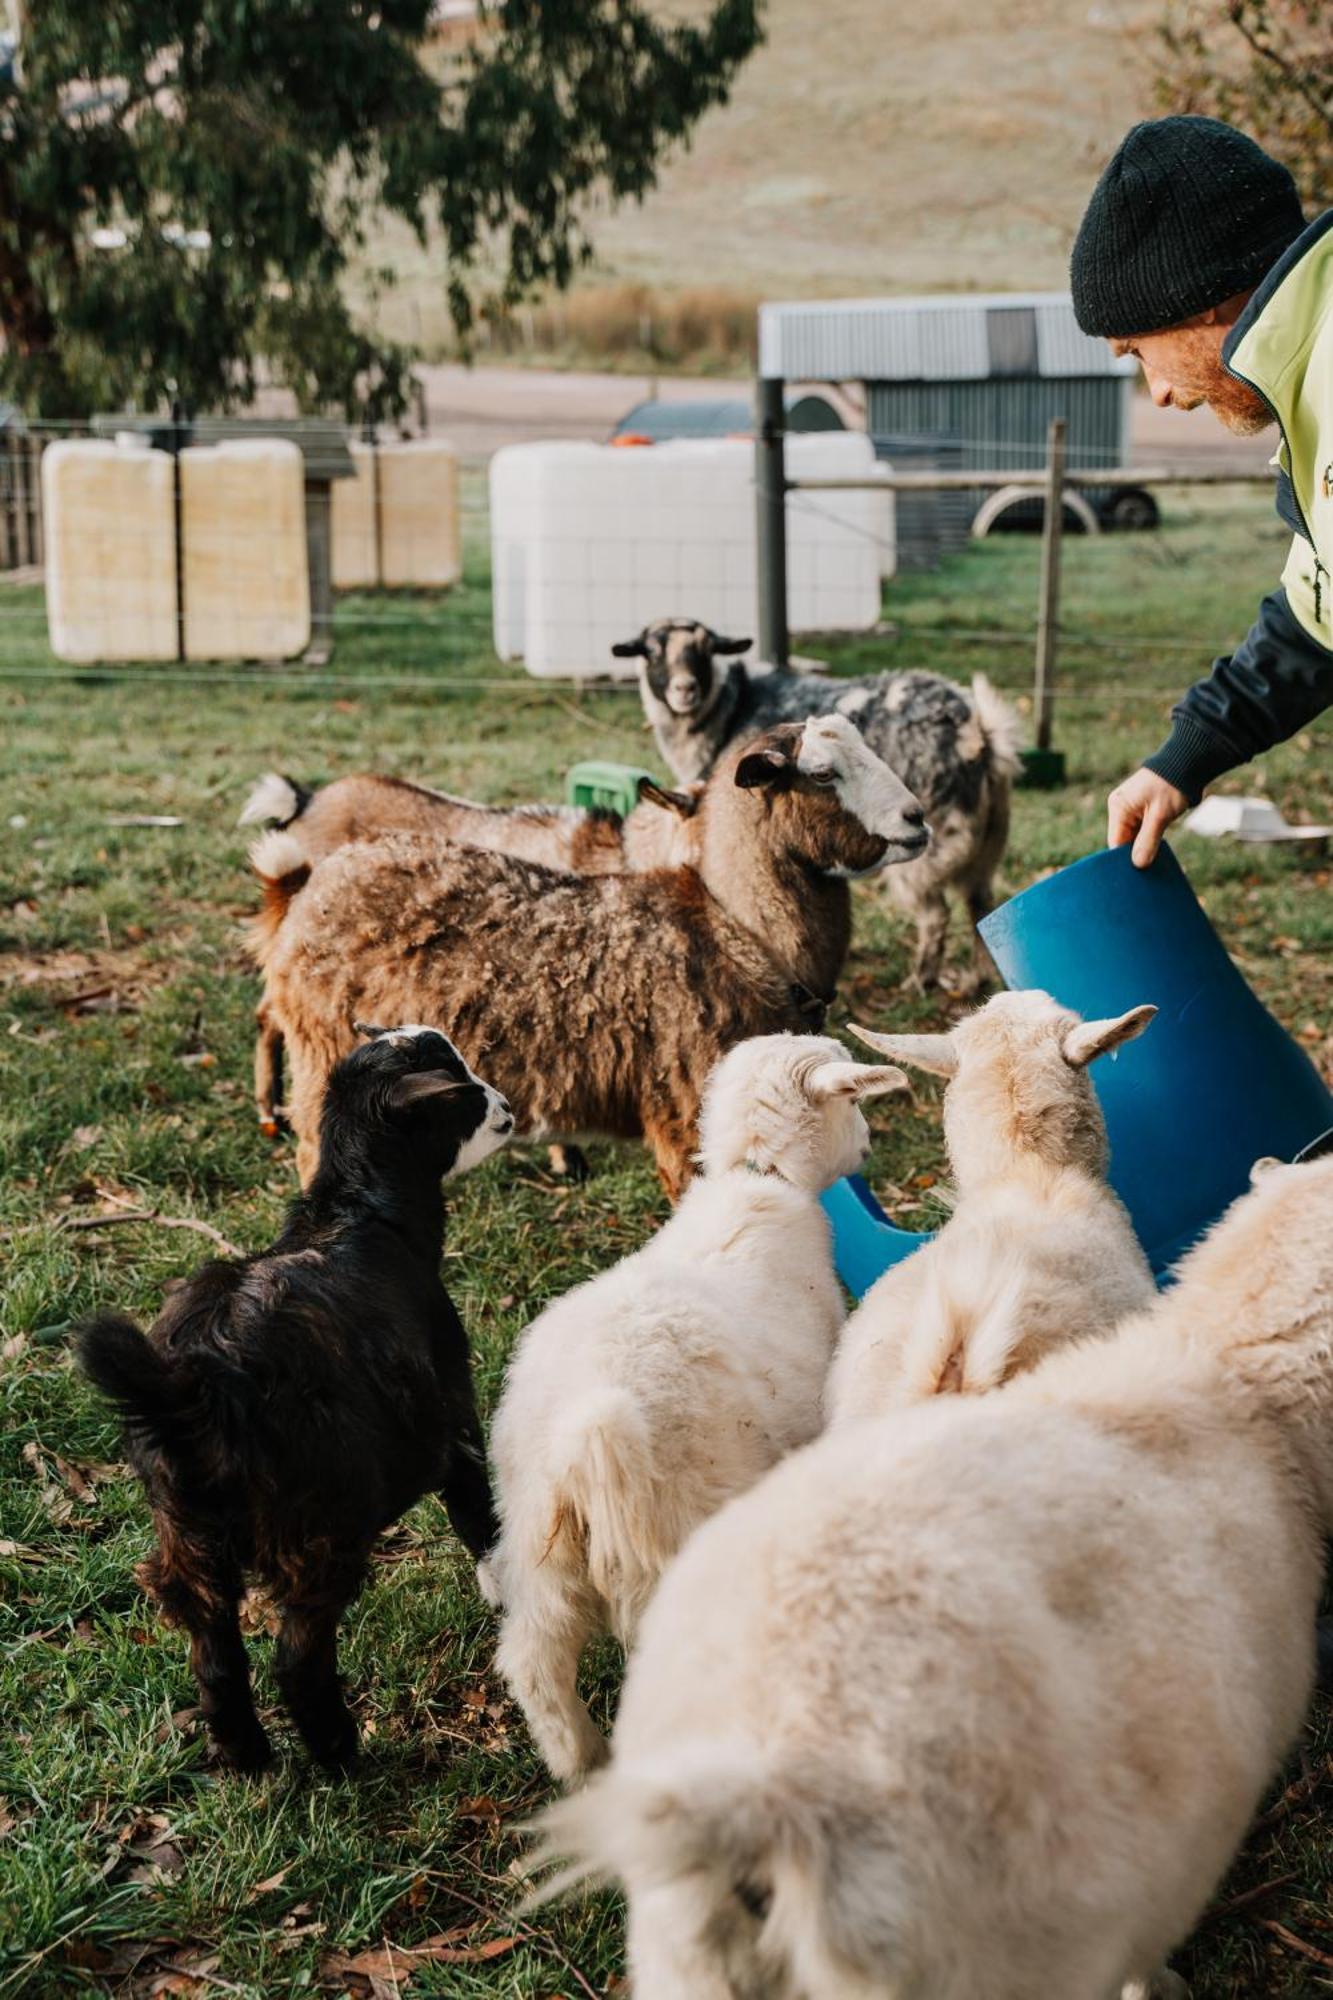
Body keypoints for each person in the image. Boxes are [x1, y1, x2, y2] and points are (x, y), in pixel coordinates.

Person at [1070, 115, 1332, 866]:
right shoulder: (1310, 386)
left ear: (1199, 302)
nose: (1154, 392)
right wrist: (1181, 760)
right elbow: (1320, 616)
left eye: (1137, 351)